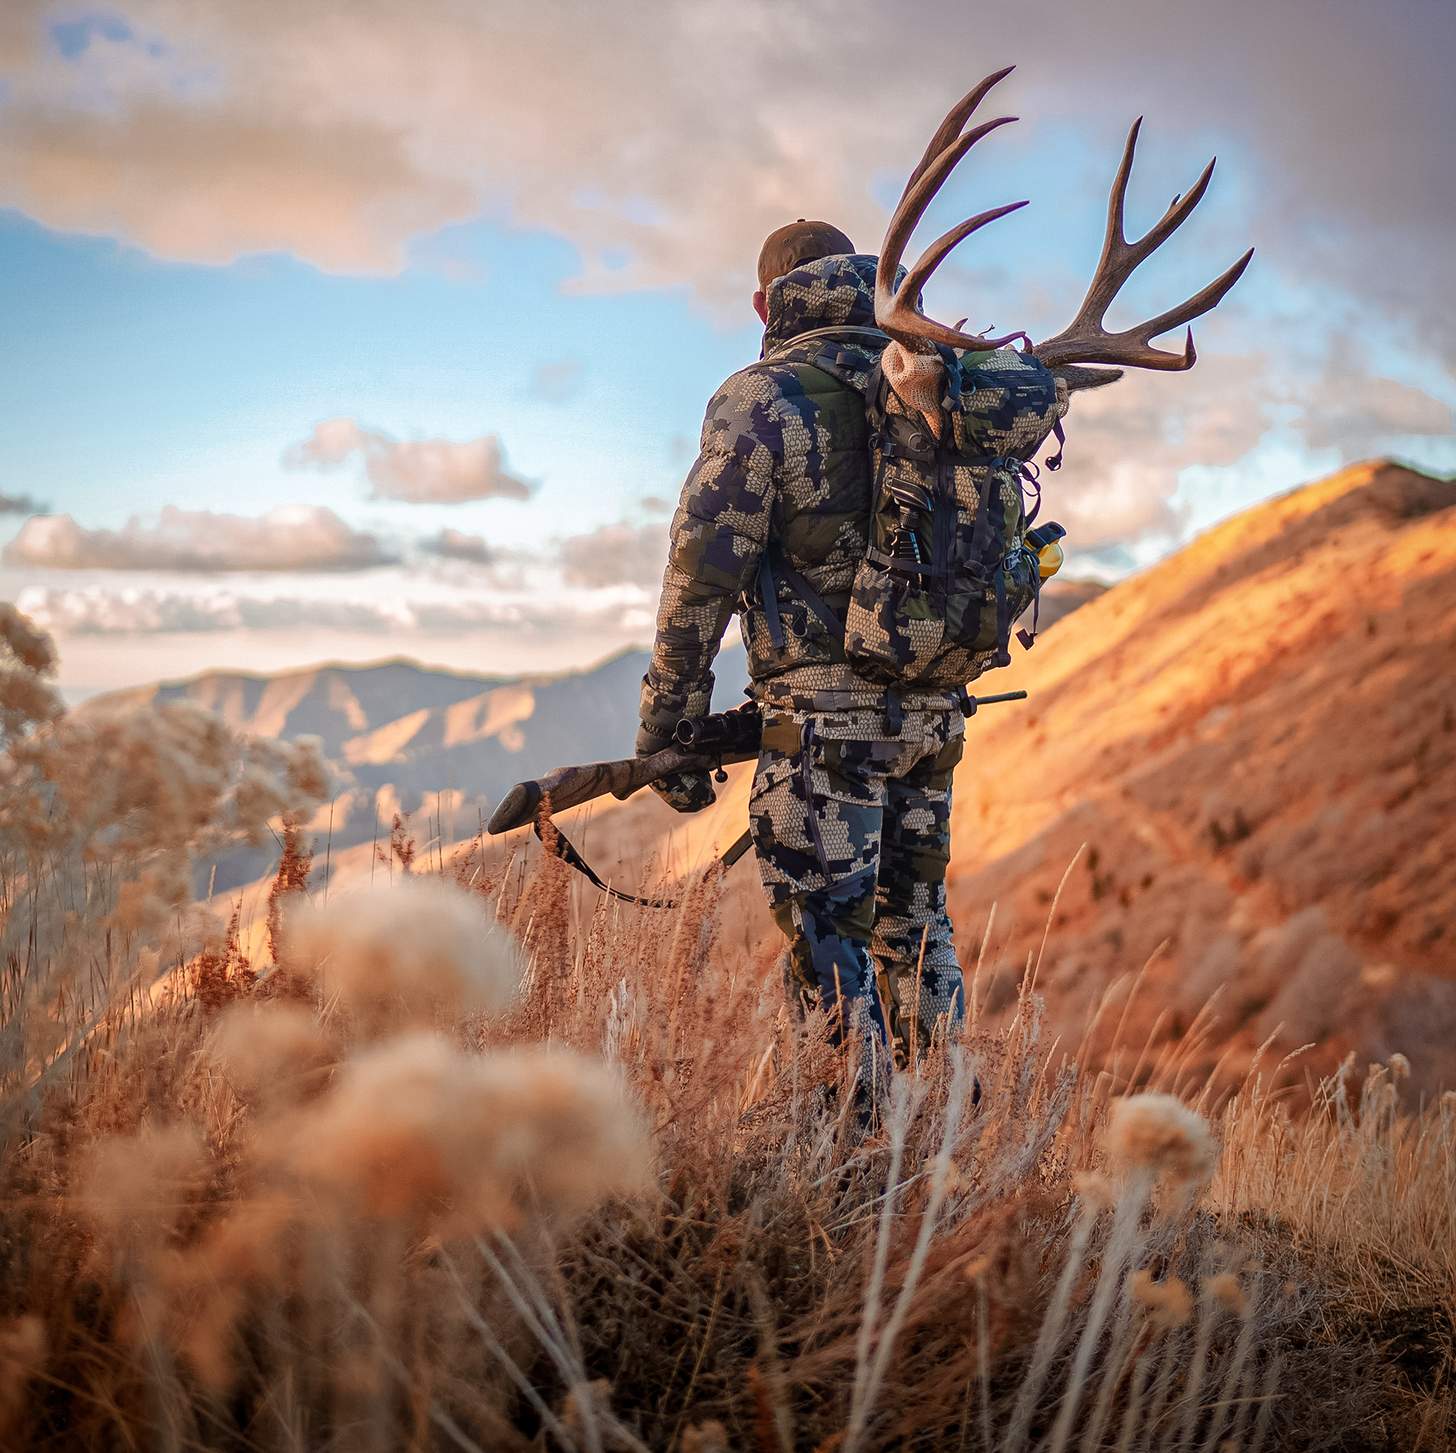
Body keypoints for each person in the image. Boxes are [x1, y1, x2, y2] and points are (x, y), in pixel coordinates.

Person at [635, 220, 989, 1082]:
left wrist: (667, 723)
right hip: (933, 719)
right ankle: (945, 1136)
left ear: (764, 305)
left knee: (830, 949)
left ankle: (848, 1149)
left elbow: (703, 569)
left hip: (822, 736)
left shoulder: (761, 397)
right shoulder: (929, 380)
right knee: (919, 934)